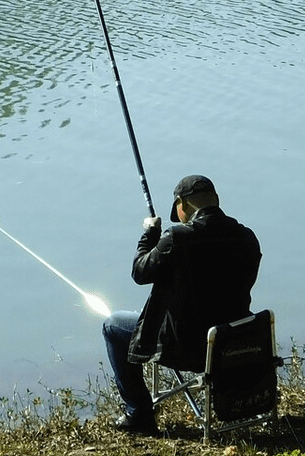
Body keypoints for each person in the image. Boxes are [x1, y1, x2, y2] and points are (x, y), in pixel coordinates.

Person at [101, 174, 262, 435]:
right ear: (216, 201)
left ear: (181, 204)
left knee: (112, 326)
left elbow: (140, 272)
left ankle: (138, 412)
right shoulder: (247, 238)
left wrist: (149, 234)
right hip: (230, 346)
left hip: (187, 349)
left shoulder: (177, 239)